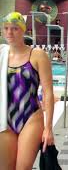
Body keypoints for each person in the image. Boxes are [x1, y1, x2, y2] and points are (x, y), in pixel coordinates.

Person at [0, 12, 55, 170]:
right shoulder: (1, 55)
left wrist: (48, 128)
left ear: (23, 30)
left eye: (15, 28)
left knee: (23, 168)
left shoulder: (37, 55)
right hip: (5, 118)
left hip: (31, 117)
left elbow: (48, 92)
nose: (10, 32)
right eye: (6, 28)